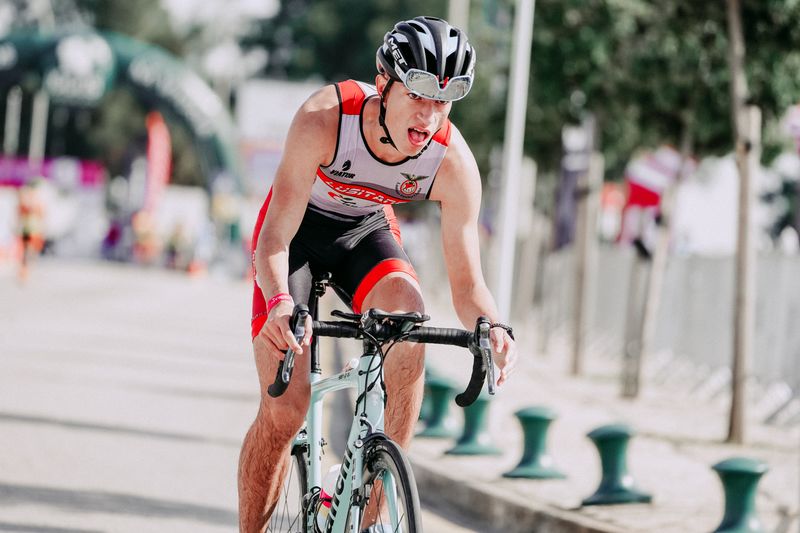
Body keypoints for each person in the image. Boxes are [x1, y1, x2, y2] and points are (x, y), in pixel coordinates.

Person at [239, 16, 518, 532]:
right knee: (287, 409)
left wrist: (494, 327)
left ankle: (378, 501)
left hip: (365, 229)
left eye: (445, 99)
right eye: (419, 94)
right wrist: (280, 301)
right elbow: (274, 238)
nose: (430, 115)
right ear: (384, 83)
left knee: (409, 327)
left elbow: (467, 284)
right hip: (297, 234)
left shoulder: (452, 162)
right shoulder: (325, 118)